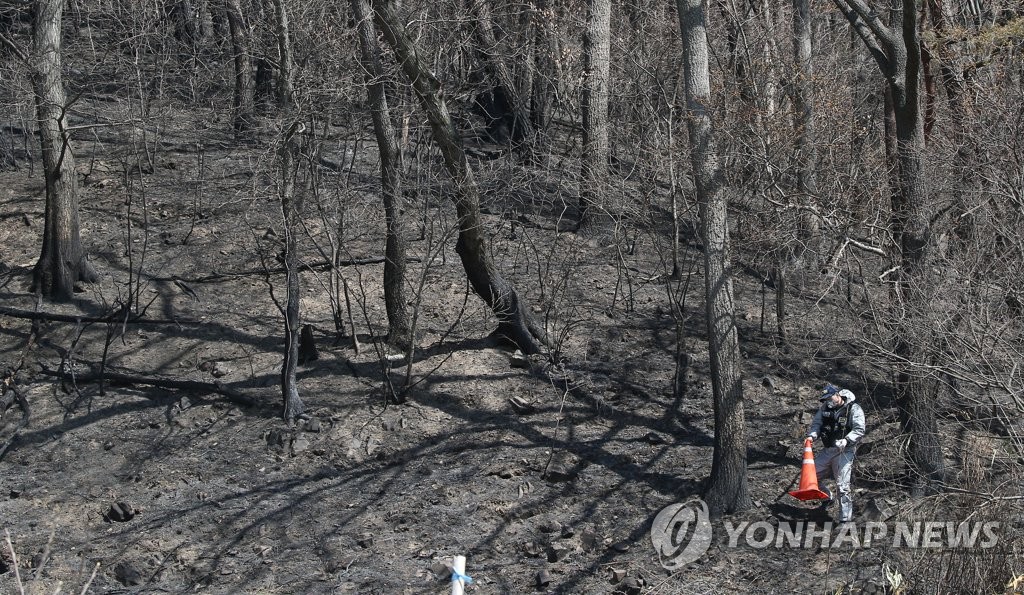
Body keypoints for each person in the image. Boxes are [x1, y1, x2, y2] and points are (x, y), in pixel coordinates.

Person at [806, 384, 866, 522]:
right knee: (811, 477)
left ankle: (845, 519)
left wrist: (846, 440)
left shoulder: (853, 408)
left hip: (845, 451)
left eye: (830, 398)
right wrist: (813, 435)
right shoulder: (825, 408)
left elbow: (859, 429)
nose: (828, 401)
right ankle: (827, 497)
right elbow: (817, 424)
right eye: (825, 399)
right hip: (828, 450)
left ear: (838, 395)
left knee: (843, 485)